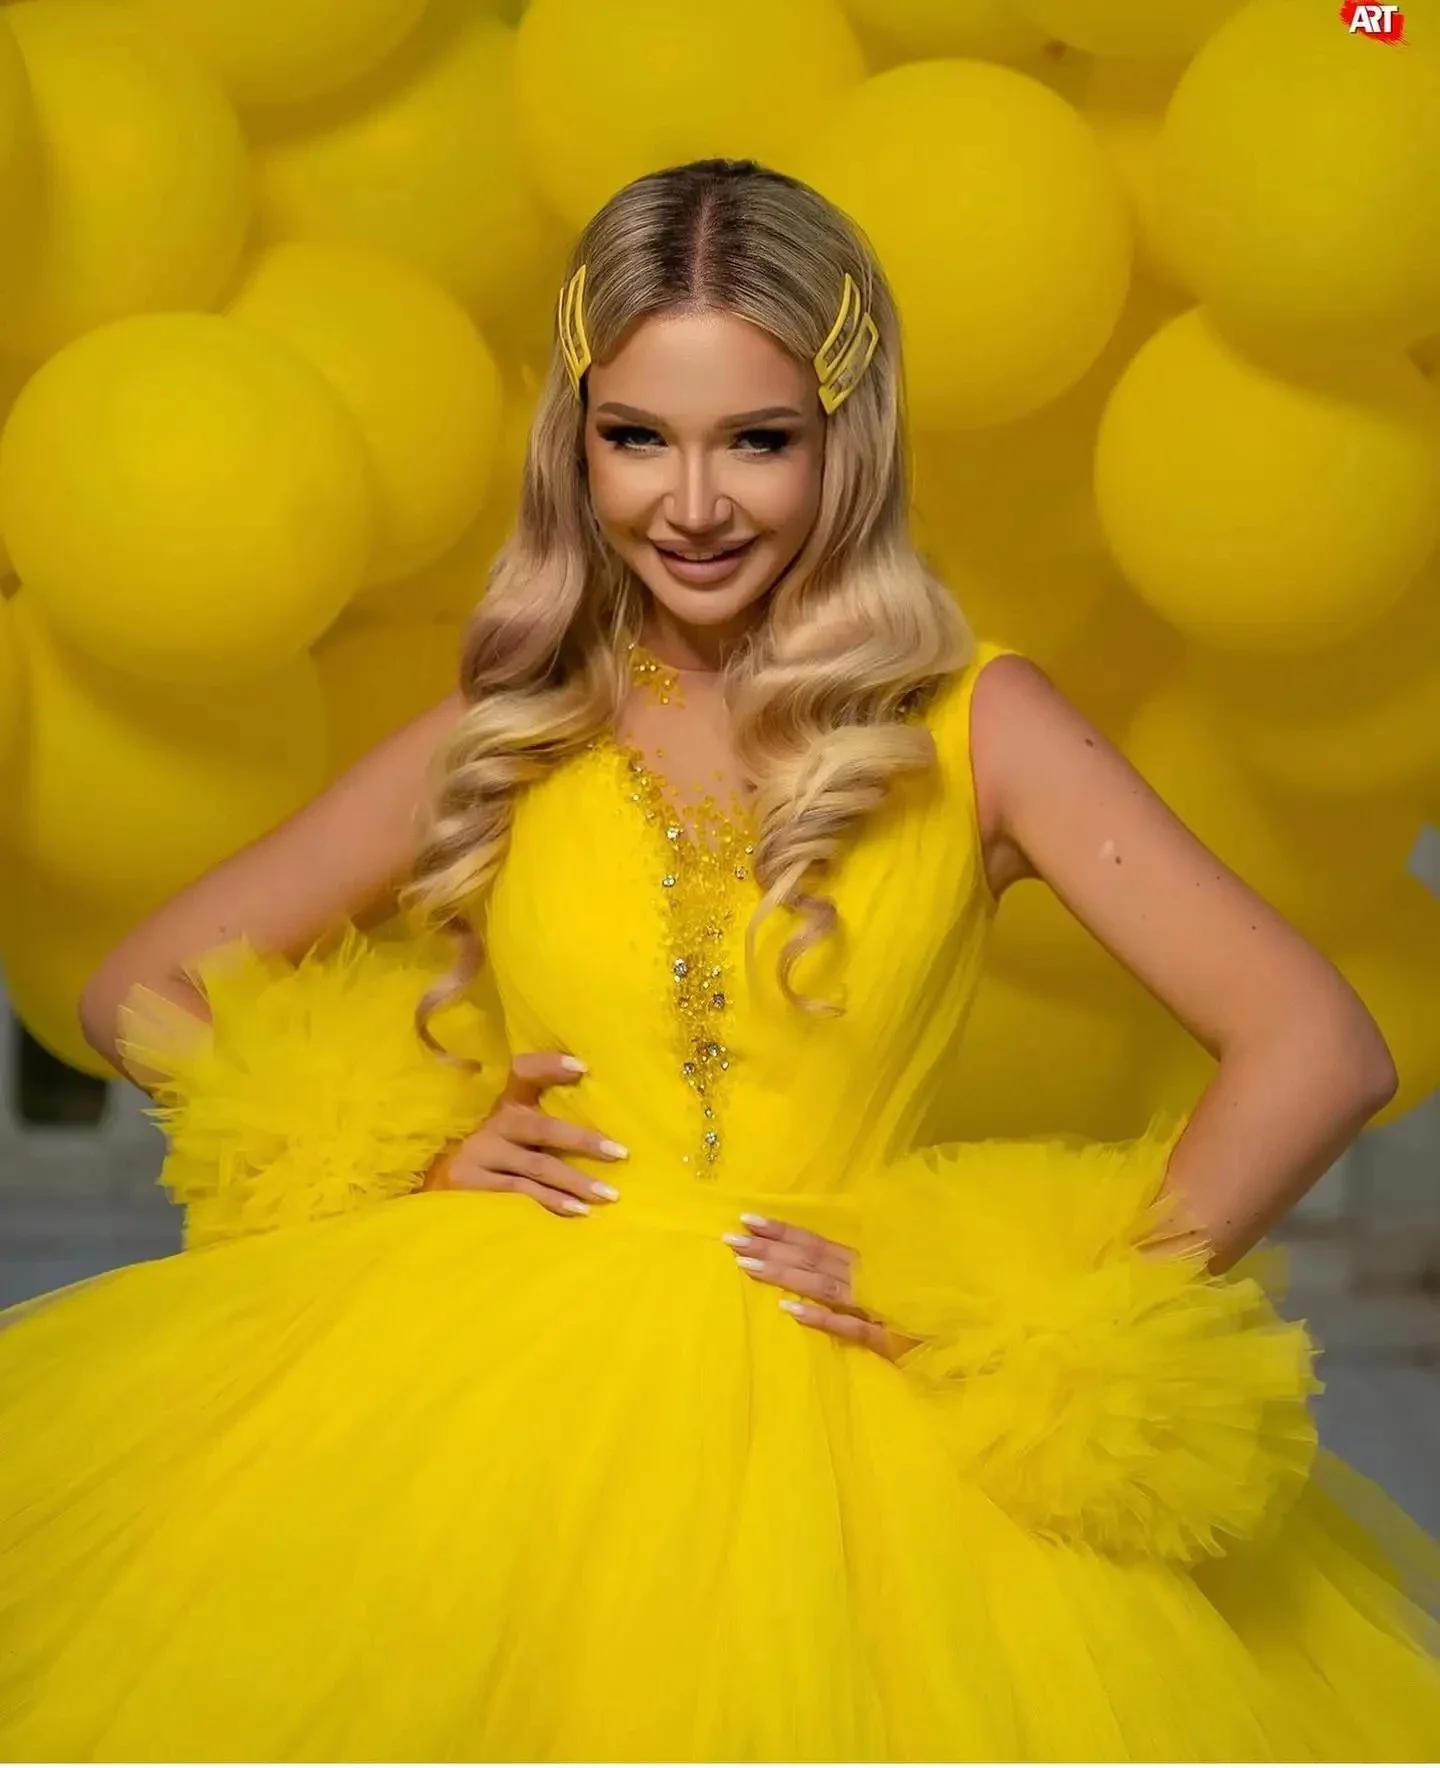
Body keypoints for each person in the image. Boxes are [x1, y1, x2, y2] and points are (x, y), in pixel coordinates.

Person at [1, 158, 1437, 1764]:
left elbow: (1319, 1045)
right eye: (639, 438)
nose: (693, 504)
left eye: (757, 440)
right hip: (483, 1406)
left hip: (858, 1461)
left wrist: (1030, 1316)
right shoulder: (513, 729)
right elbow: (141, 987)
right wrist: (413, 1148)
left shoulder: (978, 727)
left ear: (848, 438)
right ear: (579, 441)